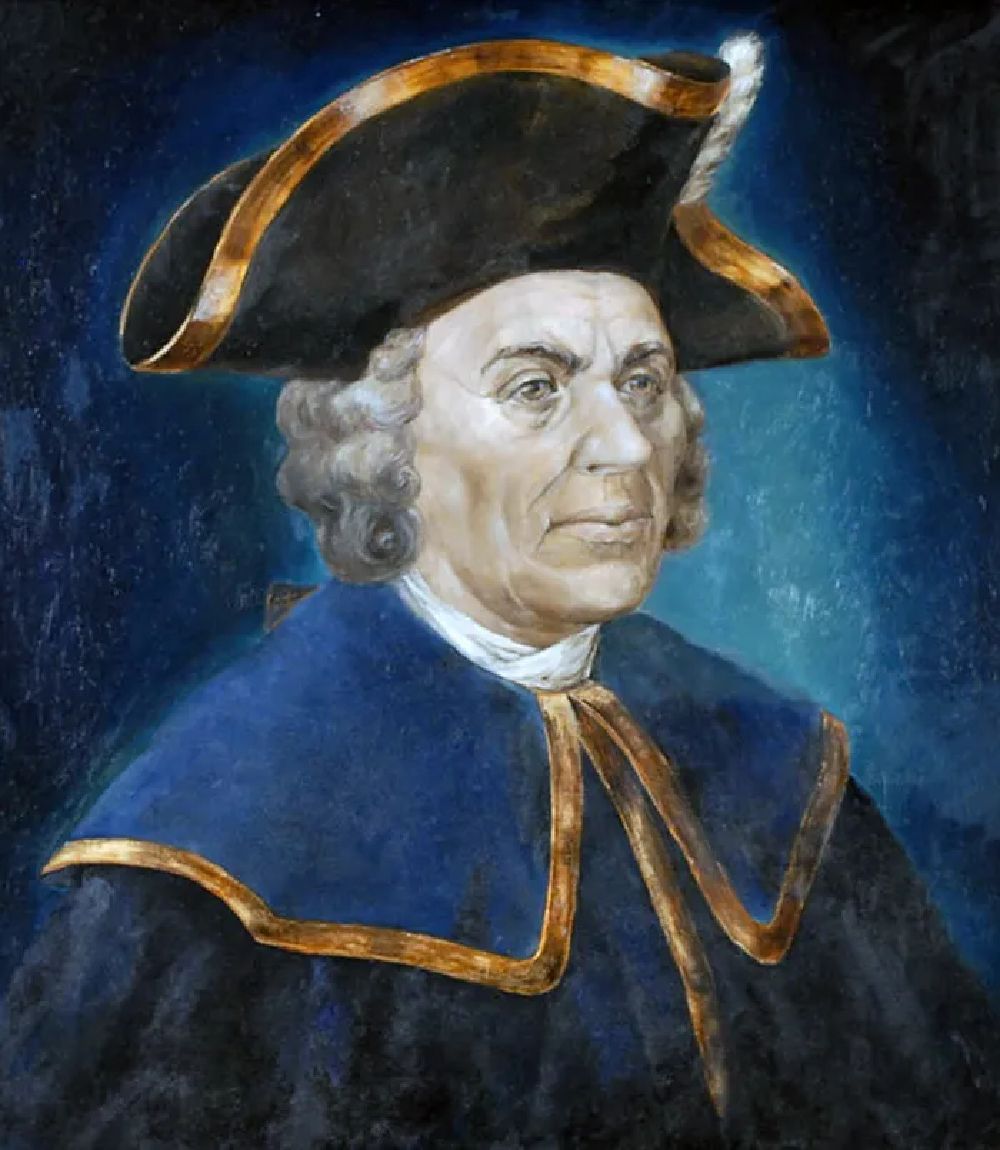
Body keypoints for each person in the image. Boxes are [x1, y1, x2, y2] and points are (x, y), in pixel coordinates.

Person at [2, 33, 997, 1150]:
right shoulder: (220, 834)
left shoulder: (773, 759)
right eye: (535, 387)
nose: (627, 443)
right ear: (385, 445)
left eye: (644, 380)